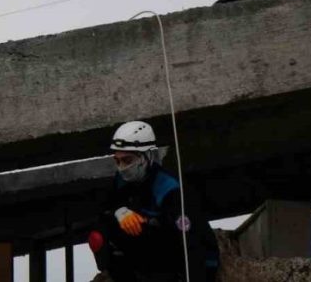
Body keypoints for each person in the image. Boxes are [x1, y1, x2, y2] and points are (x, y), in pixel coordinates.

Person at [88, 121, 219, 282]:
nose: (122, 167)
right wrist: (120, 212)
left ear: (147, 156)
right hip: (152, 248)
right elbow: (107, 206)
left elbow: (192, 243)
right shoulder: (122, 181)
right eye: (117, 161)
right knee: (101, 234)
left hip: (188, 253)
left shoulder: (170, 189)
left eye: (128, 160)